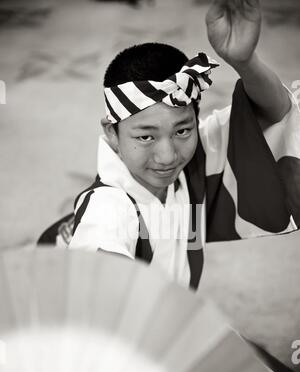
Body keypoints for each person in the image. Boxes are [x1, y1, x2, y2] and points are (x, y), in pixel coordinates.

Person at [51, 0, 300, 290]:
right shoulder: (109, 206)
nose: (167, 156)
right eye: (146, 136)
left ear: (197, 120)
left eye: (182, 130)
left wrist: (245, 62)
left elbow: (271, 116)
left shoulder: (193, 166)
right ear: (112, 132)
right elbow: (98, 276)